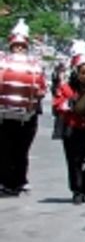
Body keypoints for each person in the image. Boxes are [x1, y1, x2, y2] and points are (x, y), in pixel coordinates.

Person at [0, 20, 47, 196]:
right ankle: (5, 181)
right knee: (4, 149)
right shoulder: (2, 61)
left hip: (27, 116)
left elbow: (41, 88)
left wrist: (38, 94)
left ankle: (20, 180)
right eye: (16, 45)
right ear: (11, 45)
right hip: (3, 116)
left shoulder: (34, 65)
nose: (19, 48)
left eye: (22, 45)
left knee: (22, 149)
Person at [53, 41, 85, 204]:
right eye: (83, 72)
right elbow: (58, 105)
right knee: (75, 161)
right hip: (73, 128)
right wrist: (71, 104)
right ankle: (77, 190)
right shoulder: (66, 88)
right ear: (76, 72)